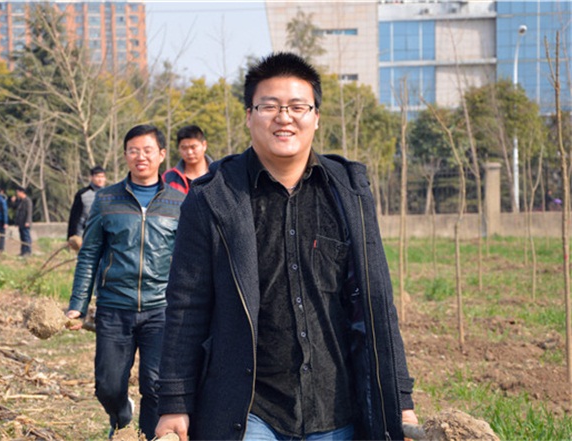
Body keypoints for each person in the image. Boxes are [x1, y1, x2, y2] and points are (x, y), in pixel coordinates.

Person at [154, 52, 418, 441]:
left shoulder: (349, 192)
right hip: (250, 411)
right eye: (270, 106)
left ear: (316, 117)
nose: (284, 117)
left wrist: (400, 399)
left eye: (297, 106)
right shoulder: (213, 197)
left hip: (336, 408)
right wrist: (175, 402)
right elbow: (186, 305)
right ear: (249, 116)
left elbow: (376, 302)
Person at [66, 124, 185, 440]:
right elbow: (89, 255)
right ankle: (121, 417)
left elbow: (188, 261)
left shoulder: (179, 203)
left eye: (147, 150)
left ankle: (146, 436)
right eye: (134, 151)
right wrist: (77, 305)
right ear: (125, 155)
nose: (140, 157)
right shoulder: (106, 199)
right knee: (107, 386)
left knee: (156, 385)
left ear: (161, 154)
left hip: (161, 309)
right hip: (114, 307)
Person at [162, 125, 213, 194]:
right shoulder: (168, 178)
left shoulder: (218, 174)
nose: (189, 152)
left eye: (193, 147)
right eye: (184, 148)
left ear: (204, 145)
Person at [67, 165, 107, 250]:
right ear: (91, 177)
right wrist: (72, 236)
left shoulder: (111, 194)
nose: (100, 179)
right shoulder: (82, 194)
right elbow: (75, 217)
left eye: (102, 177)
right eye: (97, 177)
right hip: (85, 236)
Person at [12, 186, 33, 257]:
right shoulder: (20, 201)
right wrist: (13, 202)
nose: (17, 194)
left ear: (22, 192)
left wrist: (28, 221)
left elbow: (29, 212)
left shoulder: (27, 201)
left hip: (25, 222)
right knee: (22, 237)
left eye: (18, 192)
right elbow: (15, 209)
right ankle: (23, 251)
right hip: (20, 222)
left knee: (26, 237)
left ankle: (28, 251)